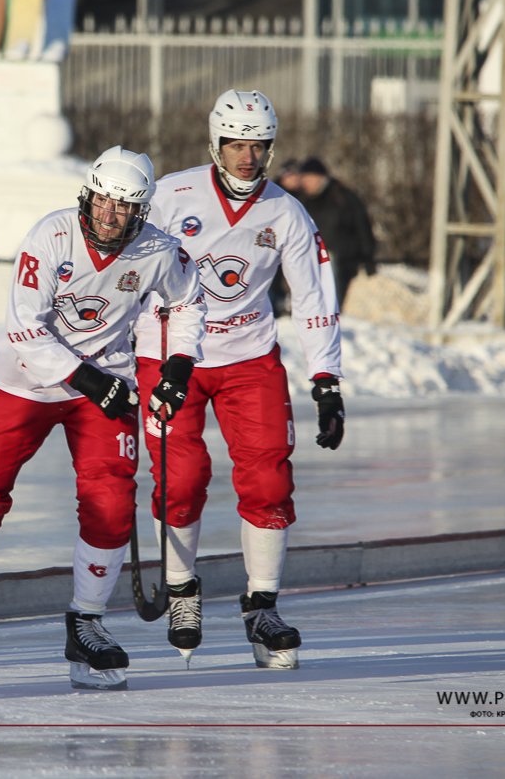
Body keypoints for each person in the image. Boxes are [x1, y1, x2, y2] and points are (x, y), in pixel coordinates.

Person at [0, 147, 205, 691]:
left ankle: (85, 623)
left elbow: (187, 301)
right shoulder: (51, 236)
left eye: (125, 208)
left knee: (111, 502)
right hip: (25, 380)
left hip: (105, 380)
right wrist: (92, 381)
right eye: (104, 202)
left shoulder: (159, 250)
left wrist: (179, 364)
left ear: (142, 213)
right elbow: (24, 327)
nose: (110, 217)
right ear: (87, 196)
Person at [133, 89, 344, 671]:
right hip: (169, 350)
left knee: (269, 479)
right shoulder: (171, 196)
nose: (248, 158)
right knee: (182, 475)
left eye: (259, 147)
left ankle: (263, 606)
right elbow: (125, 270)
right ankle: (181, 591)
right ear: (215, 143)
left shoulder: (286, 212)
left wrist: (326, 380)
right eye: (236, 145)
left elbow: (314, 298)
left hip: (249, 357)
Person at [296, 156, 377, 307]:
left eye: (308, 178)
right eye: (303, 179)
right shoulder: (303, 200)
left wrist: (368, 257)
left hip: (342, 261)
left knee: (333, 304)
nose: (304, 183)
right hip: (311, 258)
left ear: (319, 177)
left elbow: (363, 227)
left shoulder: (342, 197)